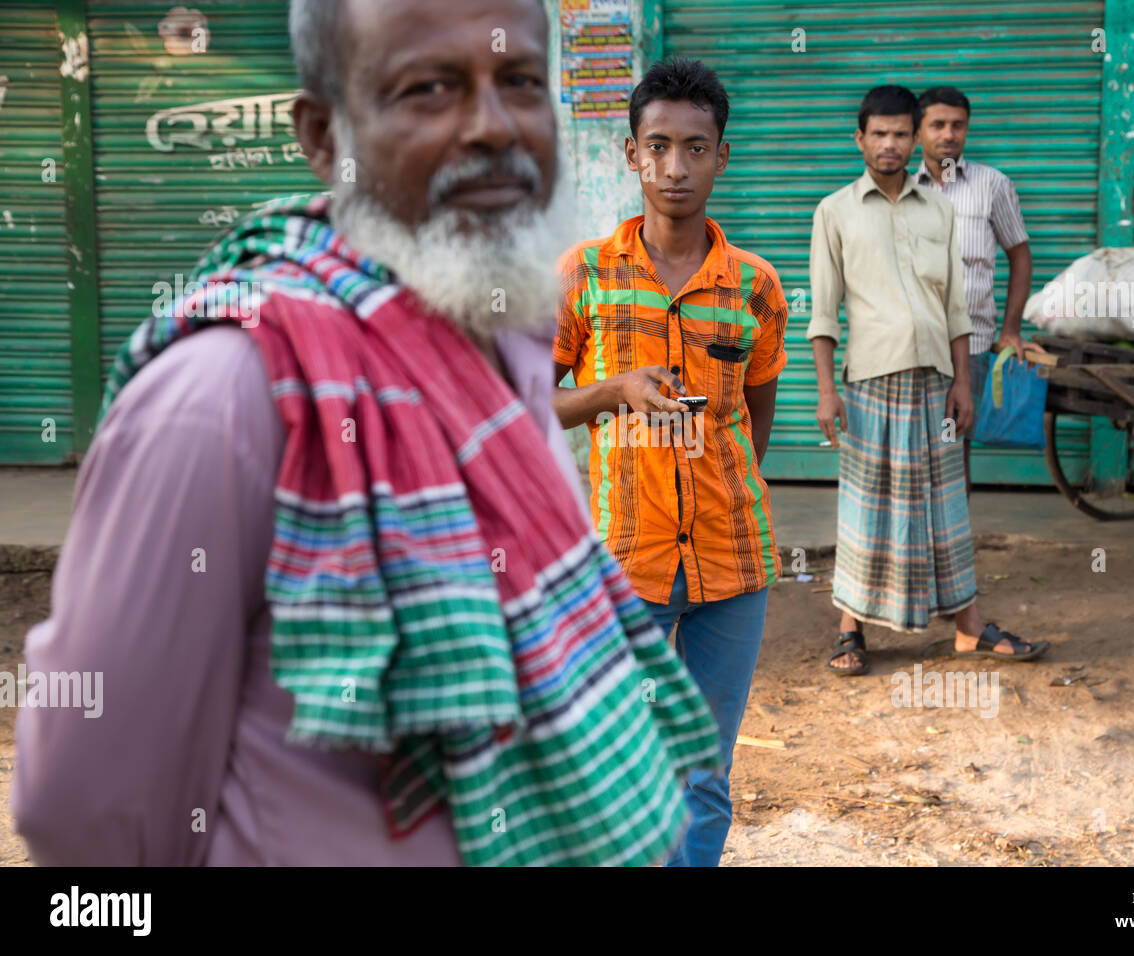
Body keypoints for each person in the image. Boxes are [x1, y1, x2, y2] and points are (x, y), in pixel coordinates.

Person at [11, 0, 721, 867]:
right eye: (429, 88)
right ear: (323, 135)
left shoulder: (512, 347)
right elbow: (90, 817)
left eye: (522, 82)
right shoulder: (223, 401)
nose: (493, 126)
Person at [552, 56, 788, 866]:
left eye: (696, 148)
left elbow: (754, 419)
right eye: (658, 147)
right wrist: (611, 391)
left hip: (733, 564)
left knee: (704, 771)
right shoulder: (584, 277)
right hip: (626, 565)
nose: (675, 167)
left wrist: (718, 489)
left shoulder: (754, 287)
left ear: (722, 156)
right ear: (631, 156)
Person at [808, 85, 1048, 676]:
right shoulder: (834, 211)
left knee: (946, 508)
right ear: (859, 139)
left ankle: (969, 630)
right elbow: (822, 312)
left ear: (913, 139)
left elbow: (956, 312)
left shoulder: (939, 208)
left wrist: (964, 382)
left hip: (939, 382)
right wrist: (825, 391)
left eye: (900, 134)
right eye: (878, 134)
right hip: (868, 383)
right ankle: (850, 630)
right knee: (866, 507)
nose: (890, 145)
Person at [913, 86, 1033, 491]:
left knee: (953, 444)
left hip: (974, 341)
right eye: (938, 125)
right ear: (918, 131)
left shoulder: (993, 185)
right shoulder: (904, 191)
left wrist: (1011, 330)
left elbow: (1020, 254)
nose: (948, 134)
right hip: (914, 341)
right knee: (912, 448)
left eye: (957, 125)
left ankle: (953, 542)